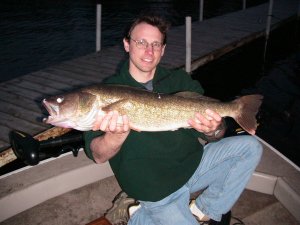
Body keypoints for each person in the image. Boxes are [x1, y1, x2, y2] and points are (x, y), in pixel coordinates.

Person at [83, 13, 263, 225]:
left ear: (163, 50)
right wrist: (115, 136)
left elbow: (217, 134)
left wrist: (213, 129)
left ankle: (202, 208)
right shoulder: (105, 93)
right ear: (126, 44)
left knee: (251, 148)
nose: (149, 51)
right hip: (155, 189)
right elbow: (98, 155)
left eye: (156, 44)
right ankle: (142, 215)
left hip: (192, 166)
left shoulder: (179, 80)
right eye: (141, 42)